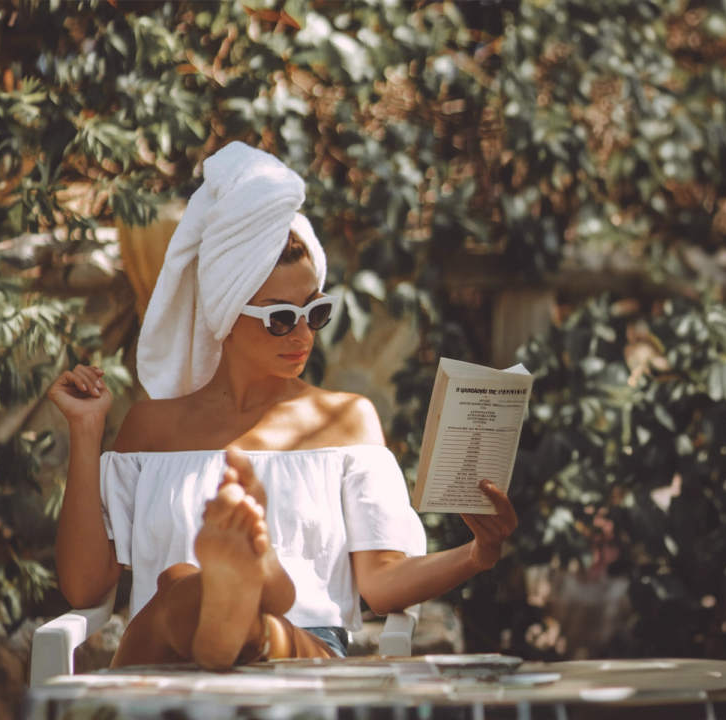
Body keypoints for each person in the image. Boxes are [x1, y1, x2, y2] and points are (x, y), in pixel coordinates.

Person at [47, 143, 518, 670]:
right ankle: (242, 591)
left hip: (297, 654)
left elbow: (383, 585)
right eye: (279, 317)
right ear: (225, 313)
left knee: (207, 594)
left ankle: (249, 609)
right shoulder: (152, 427)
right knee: (179, 581)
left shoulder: (346, 422)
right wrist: (87, 433)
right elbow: (87, 585)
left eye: (314, 312)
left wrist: (478, 555)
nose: (301, 334)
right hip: (161, 658)